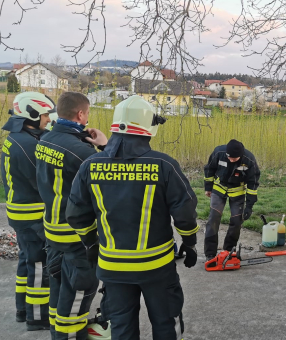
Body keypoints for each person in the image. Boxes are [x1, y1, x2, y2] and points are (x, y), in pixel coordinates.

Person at [66, 95, 199, 339]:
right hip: (157, 267)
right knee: (166, 324)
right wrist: (189, 243)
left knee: (122, 329)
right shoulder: (164, 165)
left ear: (115, 126)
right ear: (148, 128)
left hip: (112, 268)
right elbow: (185, 212)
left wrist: (91, 243)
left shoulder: (90, 165)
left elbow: (76, 213)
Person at [35, 92, 109, 339]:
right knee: (78, 293)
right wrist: (106, 146)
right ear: (81, 114)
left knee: (58, 289)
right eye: (87, 113)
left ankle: (58, 334)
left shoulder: (45, 138)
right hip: (76, 237)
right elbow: (110, 178)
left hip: (52, 230)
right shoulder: (82, 152)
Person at [0, 92, 54, 330]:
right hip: (31, 215)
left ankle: (22, 309)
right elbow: (42, 181)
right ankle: (37, 317)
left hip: (20, 213)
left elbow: (46, 135)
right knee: (39, 265)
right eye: (44, 114)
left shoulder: (20, 136)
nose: (47, 119)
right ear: (31, 114)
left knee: (27, 262)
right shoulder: (27, 145)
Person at [203, 139, 260, 261]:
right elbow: (209, 169)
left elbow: (253, 183)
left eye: (234, 159)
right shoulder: (219, 152)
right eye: (229, 157)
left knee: (236, 222)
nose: (231, 160)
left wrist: (249, 206)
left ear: (241, 155)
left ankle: (228, 251)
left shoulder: (249, 160)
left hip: (238, 192)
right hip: (219, 189)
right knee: (213, 219)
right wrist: (208, 188)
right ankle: (210, 254)